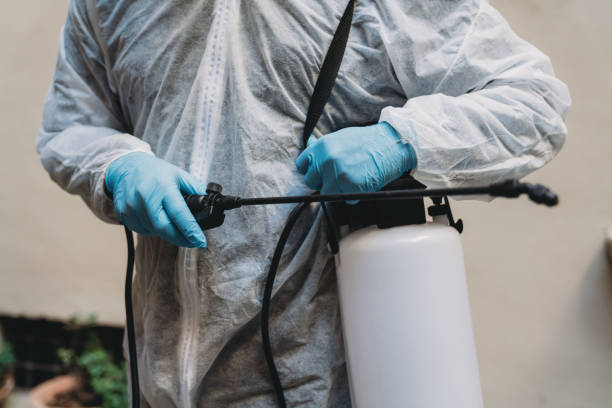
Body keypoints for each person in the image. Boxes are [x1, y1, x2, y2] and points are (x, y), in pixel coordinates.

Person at [37, 0, 570, 406]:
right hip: (157, 378)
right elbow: (72, 124)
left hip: (308, 382)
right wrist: (117, 167)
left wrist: (403, 139)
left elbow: (532, 103)